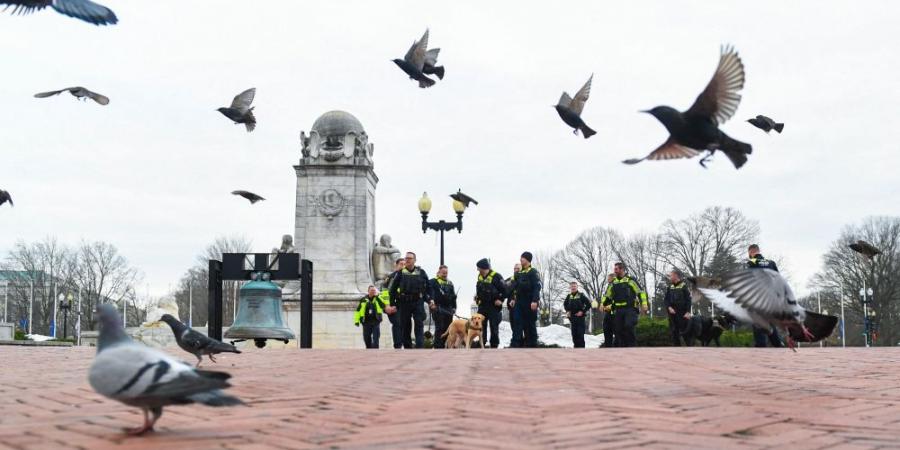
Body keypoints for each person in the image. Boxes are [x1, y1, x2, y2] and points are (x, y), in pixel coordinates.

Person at [388, 252, 430, 349]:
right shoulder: (400, 273)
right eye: (406, 258)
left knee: (419, 323)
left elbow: (428, 287)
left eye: (410, 258)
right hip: (404, 302)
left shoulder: (421, 272)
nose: (407, 260)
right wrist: (392, 304)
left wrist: (430, 299)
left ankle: (420, 347)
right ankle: (408, 347)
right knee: (406, 325)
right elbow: (392, 289)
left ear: (414, 260)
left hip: (418, 301)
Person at [747, 244, 784, 348]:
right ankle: (778, 343)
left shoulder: (752, 262)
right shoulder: (771, 263)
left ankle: (761, 344)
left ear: (751, 252)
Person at [604, 262, 647, 347]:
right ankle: (623, 349)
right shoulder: (613, 283)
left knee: (629, 325)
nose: (614, 271)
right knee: (618, 330)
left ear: (622, 269)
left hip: (630, 309)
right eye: (614, 269)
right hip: (618, 310)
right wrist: (602, 304)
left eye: (616, 269)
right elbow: (607, 295)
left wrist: (644, 304)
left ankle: (632, 347)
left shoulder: (630, 280)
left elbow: (640, 292)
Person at [474, 258, 507, 348]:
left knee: (493, 326)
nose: (478, 270)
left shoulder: (497, 276)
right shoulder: (480, 277)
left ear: (484, 268)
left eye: (479, 268)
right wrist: (477, 298)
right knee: (480, 325)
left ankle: (494, 344)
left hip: (493, 305)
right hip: (483, 305)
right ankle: (482, 342)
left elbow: (505, 290)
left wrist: (500, 299)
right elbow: (479, 290)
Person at [511, 252, 541, 348]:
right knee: (517, 322)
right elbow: (515, 288)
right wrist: (513, 299)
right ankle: (516, 344)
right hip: (519, 302)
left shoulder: (533, 272)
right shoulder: (519, 273)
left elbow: (537, 287)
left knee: (530, 323)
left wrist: (535, 301)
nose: (520, 260)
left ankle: (532, 343)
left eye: (522, 258)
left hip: (530, 302)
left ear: (527, 259)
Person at [428, 265, 457, 349]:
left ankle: (443, 345)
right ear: (439, 272)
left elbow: (453, 297)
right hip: (438, 307)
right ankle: (437, 346)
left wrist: (454, 307)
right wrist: (431, 302)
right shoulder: (433, 282)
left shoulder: (450, 283)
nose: (445, 274)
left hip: (448, 309)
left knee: (447, 328)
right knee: (439, 327)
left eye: (446, 273)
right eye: (443, 273)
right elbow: (430, 293)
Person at [663, 269, 692, 346]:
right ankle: (676, 348)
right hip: (672, 312)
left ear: (676, 276)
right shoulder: (670, 287)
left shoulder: (684, 286)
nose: (670, 277)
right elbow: (666, 300)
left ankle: (690, 348)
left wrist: (688, 312)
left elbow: (688, 300)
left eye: (671, 275)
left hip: (682, 313)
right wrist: (669, 307)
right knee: (673, 331)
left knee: (685, 331)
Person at [382, 258, 404, 349]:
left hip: (404, 305)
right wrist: (387, 306)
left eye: (404, 264)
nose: (403, 266)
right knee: (397, 324)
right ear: (396, 265)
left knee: (403, 325)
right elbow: (384, 292)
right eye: (401, 264)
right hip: (393, 306)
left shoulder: (407, 276)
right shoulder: (391, 277)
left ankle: (403, 344)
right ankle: (398, 346)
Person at [563, 282, 591, 348]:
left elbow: (588, 304)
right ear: (570, 288)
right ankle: (576, 350)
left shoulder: (581, 295)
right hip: (572, 318)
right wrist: (567, 311)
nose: (573, 287)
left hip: (580, 318)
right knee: (574, 335)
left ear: (577, 287)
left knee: (580, 335)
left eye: (574, 286)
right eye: (572, 286)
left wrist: (582, 312)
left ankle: (582, 350)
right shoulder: (568, 296)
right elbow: (565, 304)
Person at [504, 263, 521, 346]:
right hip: (511, 306)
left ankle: (518, 342)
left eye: (518, 268)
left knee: (520, 325)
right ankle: (516, 341)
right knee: (513, 325)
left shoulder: (523, 278)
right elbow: (504, 289)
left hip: (521, 306)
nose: (516, 270)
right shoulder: (510, 279)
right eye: (515, 268)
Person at [600, 274, 615, 347]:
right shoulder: (609, 286)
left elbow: (619, 300)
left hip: (616, 313)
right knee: (606, 330)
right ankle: (608, 347)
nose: (607, 280)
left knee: (617, 332)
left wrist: (611, 306)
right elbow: (606, 297)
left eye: (609, 278)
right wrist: (602, 304)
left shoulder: (616, 286)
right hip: (608, 312)